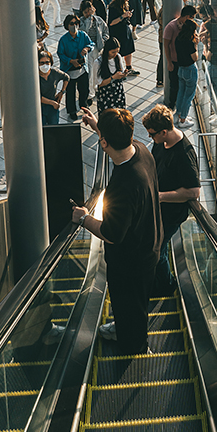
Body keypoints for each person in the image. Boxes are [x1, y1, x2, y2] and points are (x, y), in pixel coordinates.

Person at [72, 107, 161, 354]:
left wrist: (83, 218)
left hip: (130, 262)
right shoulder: (142, 151)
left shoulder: (123, 184)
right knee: (136, 304)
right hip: (149, 244)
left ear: (103, 143)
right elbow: (116, 139)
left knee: (128, 305)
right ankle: (126, 327)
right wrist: (98, 126)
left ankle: (134, 347)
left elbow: (111, 233)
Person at [142, 104, 201, 292]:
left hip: (171, 213)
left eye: (152, 134)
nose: (150, 138)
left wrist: (160, 196)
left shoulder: (184, 153)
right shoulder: (162, 142)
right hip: (158, 209)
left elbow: (193, 191)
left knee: (157, 250)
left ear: (164, 131)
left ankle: (167, 286)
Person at [56, 14, 94, 120]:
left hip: (82, 68)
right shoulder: (63, 40)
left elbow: (91, 43)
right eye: (71, 23)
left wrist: (87, 48)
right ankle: (71, 110)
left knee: (84, 89)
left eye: (76, 23)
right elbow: (60, 54)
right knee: (70, 92)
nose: (74, 25)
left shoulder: (83, 35)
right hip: (69, 69)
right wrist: (71, 61)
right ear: (67, 26)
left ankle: (84, 104)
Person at [163, 4, 196, 108]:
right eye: (192, 17)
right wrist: (169, 62)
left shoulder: (187, 27)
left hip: (185, 62)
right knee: (174, 86)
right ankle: (172, 105)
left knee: (182, 87)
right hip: (175, 61)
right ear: (187, 16)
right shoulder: (171, 27)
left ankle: (180, 107)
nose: (193, 20)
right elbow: (166, 45)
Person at [80, 0, 109, 96]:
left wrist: (104, 40)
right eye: (85, 12)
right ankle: (90, 92)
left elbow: (105, 31)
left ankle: (96, 87)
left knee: (98, 69)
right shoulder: (81, 22)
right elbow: (84, 31)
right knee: (90, 71)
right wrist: (89, 18)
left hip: (99, 47)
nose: (88, 13)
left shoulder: (99, 20)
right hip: (88, 48)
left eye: (89, 10)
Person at [107, 0, 138, 74]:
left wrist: (128, 15)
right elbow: (111, 22)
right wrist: (123, 16)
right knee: (118, 51)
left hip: (125, 30)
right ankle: (118, 69)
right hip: (117, 32)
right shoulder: (113, 7)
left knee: (129, 50)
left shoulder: (125, 4)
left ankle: (129, 67)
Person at [174, 18, 198, 127]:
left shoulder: (178, 39)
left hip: (180, 69)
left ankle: (178, 114)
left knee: (181, 92)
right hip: (190, 70)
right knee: (189, 95)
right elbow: (194, 58)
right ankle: (183, 120)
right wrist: (196, 45)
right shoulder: (190, 42)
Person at [96, 37, 129, 111]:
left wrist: (124, 74)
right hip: (106, 94)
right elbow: (99, 84)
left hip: (118, 92)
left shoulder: (118, 57)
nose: (115, 54)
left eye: (117, 51)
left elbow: (120, 72)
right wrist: (113, 77)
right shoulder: (98, 62)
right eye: (113, 52)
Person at [38, 53, 69, 126]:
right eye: (41, 63)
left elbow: (66, 77)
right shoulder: (35, 76)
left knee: (54, 127)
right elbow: (36, 96)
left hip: (52, 108)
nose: (44, 65)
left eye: (47, 62)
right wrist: (52, 103)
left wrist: (62, 92)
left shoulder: (55, 73)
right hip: (40, 108)